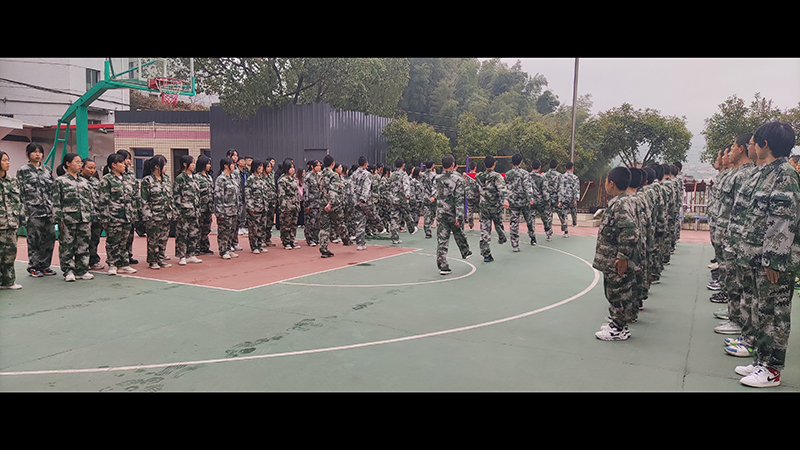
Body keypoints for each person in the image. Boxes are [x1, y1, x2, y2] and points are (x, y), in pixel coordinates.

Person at [731, 122, 798, 388]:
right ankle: (761, 360)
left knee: (775, 314)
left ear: (765, 144)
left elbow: (782, 219)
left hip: (773, 261)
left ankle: (772, 370)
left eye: (755, 141)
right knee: (761, 312)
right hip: (757, 257)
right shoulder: (767, 172)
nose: (753, 146)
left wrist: (774, 260)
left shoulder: (784, 174)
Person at [593, 166, 639, 341]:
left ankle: (619, 328)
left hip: (616, 259)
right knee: (613, 291)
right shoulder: (620, 202)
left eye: (606, 180)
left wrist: (622, 256)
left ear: (611, 183)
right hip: (611, 259)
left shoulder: (620, 204)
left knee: (617, 292)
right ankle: (616, 322)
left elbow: (629, 231)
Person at [17, 142, 57, 277]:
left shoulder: (47, 170)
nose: (37, 154)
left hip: (48, 210)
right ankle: (34, 267)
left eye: (39, 152)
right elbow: (20, 192)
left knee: (49, 238)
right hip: (32, 211)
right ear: (28, 154)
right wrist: (23, 212)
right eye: (34, 152)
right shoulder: (23, 170)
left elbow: (53, 190)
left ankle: (45, 266)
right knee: (34, 240)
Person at [53, 153, 95, 282]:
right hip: (68, 218)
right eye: (76, 162)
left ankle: (82, 269)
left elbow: (90, 200)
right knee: (67, 245)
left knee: (83, 245)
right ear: (68, 163)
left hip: (84, 217)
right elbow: (56, 201)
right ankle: (68, 270)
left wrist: (91, 216)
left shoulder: (84, 181)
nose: (79, 164)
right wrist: (58, 218)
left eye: (80, 162)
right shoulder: (60, 181)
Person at [433, 154, 473, 275]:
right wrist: (459, 216)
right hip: (452, 212)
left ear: (442, 165)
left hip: (441, 212)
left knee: (442, 240)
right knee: (459, 233)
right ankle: (465, 251)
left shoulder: (437, 178)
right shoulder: (458, 179)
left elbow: (437, 194)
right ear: (453, 164)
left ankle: (443, 265)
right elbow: (459, 199)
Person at [99, 153, 137, 275]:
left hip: (127, 215)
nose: (124, 165)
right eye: (120, 162)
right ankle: (113, 264)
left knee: (124, 241)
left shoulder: (127, 179)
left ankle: (124, 263)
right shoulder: (107, 179)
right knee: (113, 241)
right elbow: (103, 200)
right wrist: (105, 217)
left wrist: (134, 213)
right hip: (113, 215)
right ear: (113, 165)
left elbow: (133, 197)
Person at [140, 155, 174, 270]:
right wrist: (148, 216)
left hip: (166, 214)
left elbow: (170, 196)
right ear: (156, 167)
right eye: (164, 165)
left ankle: (161, 258)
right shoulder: (147, 180)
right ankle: (153, 260)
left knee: (163, 238)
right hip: (153, 215)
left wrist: (172, 211)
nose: (166, 167)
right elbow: (144, 200)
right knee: (153, 239)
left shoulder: (166, 179)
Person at [318, 155, 352, 258]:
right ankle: (346, 239)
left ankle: (323, 248)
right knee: (339, 222)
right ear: (333, 164)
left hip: (322, 203)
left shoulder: (319, 175)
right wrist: (331, 203)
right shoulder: (334, 175)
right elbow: (333, 190)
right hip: (333, 204)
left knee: (324, 227)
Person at [475, 156, 508, 262]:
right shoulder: (496, 176)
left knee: (485, 230)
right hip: (495, 206)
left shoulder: (478, 176)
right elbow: (502, 189)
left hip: (483, 206)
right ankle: (502, 237)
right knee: (498, 223)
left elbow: (475, 188)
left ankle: (486, 254)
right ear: (494, 164)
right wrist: (505, 200)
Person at [173, 155, 203, 266]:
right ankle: (182, 256)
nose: (193, 165)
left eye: (194, 163)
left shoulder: (194, 178)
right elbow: (177, 196)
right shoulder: (180, 178)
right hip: (184, 211)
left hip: (194, 211)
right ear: (185, 164)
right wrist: (178, 212)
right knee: (182, 234)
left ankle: (191, 254)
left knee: (193, 234)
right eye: (192, 163)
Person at [0, 151, 23, 290]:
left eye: (8, 160)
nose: (7, 163)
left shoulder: (13, 181)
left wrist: (20, 218)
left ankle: (8, 281)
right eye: (4, 160)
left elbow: (19, 201)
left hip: (11, 223)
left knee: (10, 253)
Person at [505, 153, 535, 251]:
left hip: (513, 201)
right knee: (529, 220)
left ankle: (515, 245)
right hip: (524, 201)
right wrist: (530, 198)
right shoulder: (525, 173)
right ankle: (532, 237)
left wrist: (506, 199)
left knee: (514, 222)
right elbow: (527, 186)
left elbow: (506, 187)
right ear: (521, 162)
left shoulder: (508, 174)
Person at [351, 156, 382, 251]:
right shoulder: (367, 174)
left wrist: (354, 199)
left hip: (356, 200)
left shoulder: (354, 174)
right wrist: (363, 198)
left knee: (359, 221)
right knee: (373, 215)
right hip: (366, 201)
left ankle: (360, 243)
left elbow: (351, 187)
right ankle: (380, 228)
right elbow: (366, 187)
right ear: (365, 164)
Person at [80, 158, 104, 270]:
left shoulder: (96, 181)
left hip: (97, 215)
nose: (92, 170)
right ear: (82, 168)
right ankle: (83, 262)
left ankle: (93, 260)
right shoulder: (79, 181)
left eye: (94, 168)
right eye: (89, 168)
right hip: (85, 216)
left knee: (95, 238)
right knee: (84, 240)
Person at [215, 157, 240, 260]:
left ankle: (229, 249)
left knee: (231, 231)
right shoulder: (221, 179)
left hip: (234, 210)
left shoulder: (233, 178)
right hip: (225, 210)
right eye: (232, 164)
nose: (234, 166)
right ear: (226, 166)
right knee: (224, 231)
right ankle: (223, 250)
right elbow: (218, 197)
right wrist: (220, 212)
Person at [388, 158, 417, 244]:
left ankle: (395, 238)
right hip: (401, 198)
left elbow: (389, 185)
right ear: (403, 165)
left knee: (394, 218)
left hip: (393, 198)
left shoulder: (392, 175)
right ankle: (412, 229)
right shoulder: (404, 174)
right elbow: (406, 185)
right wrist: (407, 194)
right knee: (407, 214)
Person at [245, 159, 269, 253]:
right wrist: (250, 207)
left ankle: (260, 245)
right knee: (254, 228)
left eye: (262, 166)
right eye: (260, 166)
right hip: (255, 208)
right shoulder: (251, 179)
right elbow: (248, 194)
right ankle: (254, 246)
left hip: (263, 207)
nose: (261, 168)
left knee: (262, 228)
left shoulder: (262, 179)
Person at [277, 159, 301, 250]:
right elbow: (282, 195)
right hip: (287, 205)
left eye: (293, 168)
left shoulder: (294, 179)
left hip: (295, 205)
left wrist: (298, 204)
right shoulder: (282, 180)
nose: (292, 169)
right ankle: (286, 242)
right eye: (290, 168)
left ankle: (292, 240)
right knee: (286, 225)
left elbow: (296, 193)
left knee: (293, 225)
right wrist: (283, 207)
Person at [194, 155, 215, 256]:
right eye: (208, 164)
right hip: (200, 207)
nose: (209, 166)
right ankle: (196, 248)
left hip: (208, 207)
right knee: (198, 228)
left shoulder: (209, 177)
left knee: (206, 228)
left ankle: (204, 247)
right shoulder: (196, 177)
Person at [528, 159, 551, 243]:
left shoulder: (527, 177)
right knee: (544, 218)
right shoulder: (542, 178)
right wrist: (547, 202)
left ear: (531, 167)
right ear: (540, 167)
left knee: (531, 219)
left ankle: (532, 237)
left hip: (530, 201)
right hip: (540, 201)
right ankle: (548, 234)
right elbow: (545, 191)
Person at [558, 161, 580, 237]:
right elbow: (576, 189)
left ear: (565, 168)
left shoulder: (561, 177)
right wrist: (576, 199)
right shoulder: (575, 177)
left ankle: (566, 231)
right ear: (572, 168)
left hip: (564, 198)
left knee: (564, 214)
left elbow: (560, 189)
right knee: (573, 212)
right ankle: (574, 223)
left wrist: (560, 200)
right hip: (571, 198)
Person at [303, 160, 323, 247]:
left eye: (320, 166)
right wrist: (306, 204)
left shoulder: (319, 176)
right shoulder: (308, 177)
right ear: (312, 166)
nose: (319, 168)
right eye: (317, 166)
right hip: (311, 203)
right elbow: (305, 191)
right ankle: (309, 239)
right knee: (310, 222)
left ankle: (315, 238)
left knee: (317, 222)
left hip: (318, 203)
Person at [543, 159, 562, 241]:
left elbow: (543, 187)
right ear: (556, 166)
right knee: (561, 214)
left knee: (548, 216)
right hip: (556, 197)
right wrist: (560, 200)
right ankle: (565, 229)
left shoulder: (545, 175)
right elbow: (561, 188)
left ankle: (548, 234)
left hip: (547, 198)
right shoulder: (559, 175)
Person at [419, 160, 438, 238]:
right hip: (431, 197)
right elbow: (435, 186)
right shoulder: (434, 175)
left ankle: (427, 230)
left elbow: (420, 185)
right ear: (432, 166)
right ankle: (429, 228)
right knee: (433, 213)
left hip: (424, 196)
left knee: (427, 214)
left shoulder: (422, 175)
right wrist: (434, 196)